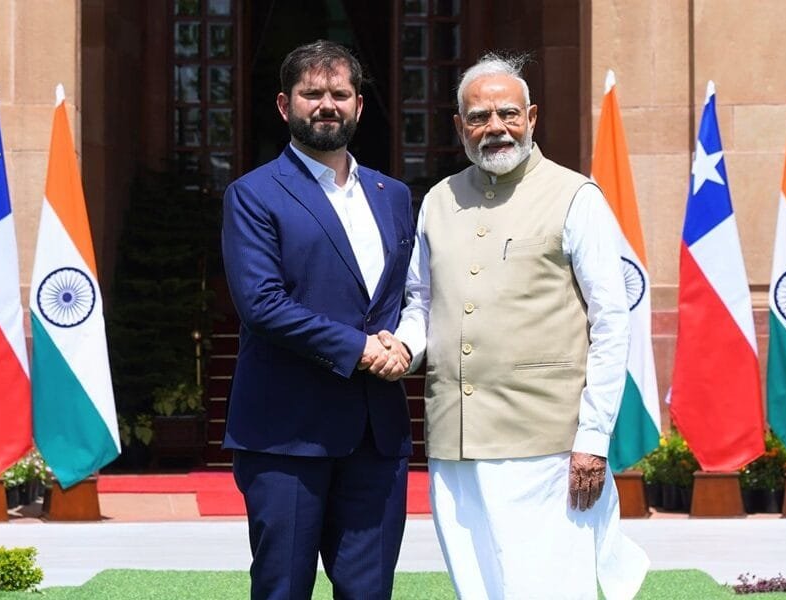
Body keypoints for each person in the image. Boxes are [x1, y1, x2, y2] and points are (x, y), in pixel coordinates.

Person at [393, 53, 650, 600]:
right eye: (480, 117)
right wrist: (402, 348)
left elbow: (611, 323)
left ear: (532, 117)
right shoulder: (438, 200)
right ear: (460, 126)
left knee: (550, 588)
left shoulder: (576, 196)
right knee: (478, 586)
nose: (495, 128)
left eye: (508, 114)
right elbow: (421, 303)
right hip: (455, 437)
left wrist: (593, 439)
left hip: (549, 444)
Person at [220, 40, 415, 600]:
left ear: (359, 105)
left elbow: (408, 296)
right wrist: (360, 348)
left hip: (376, 434)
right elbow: (262, 304)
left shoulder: (393, 195)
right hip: (286, 435)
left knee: (370, 590)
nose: (326, 104)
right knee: (283, 587)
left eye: (340, 93)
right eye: (312, 94)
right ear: (285, 106)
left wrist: (404, 343)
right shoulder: (253, 194)